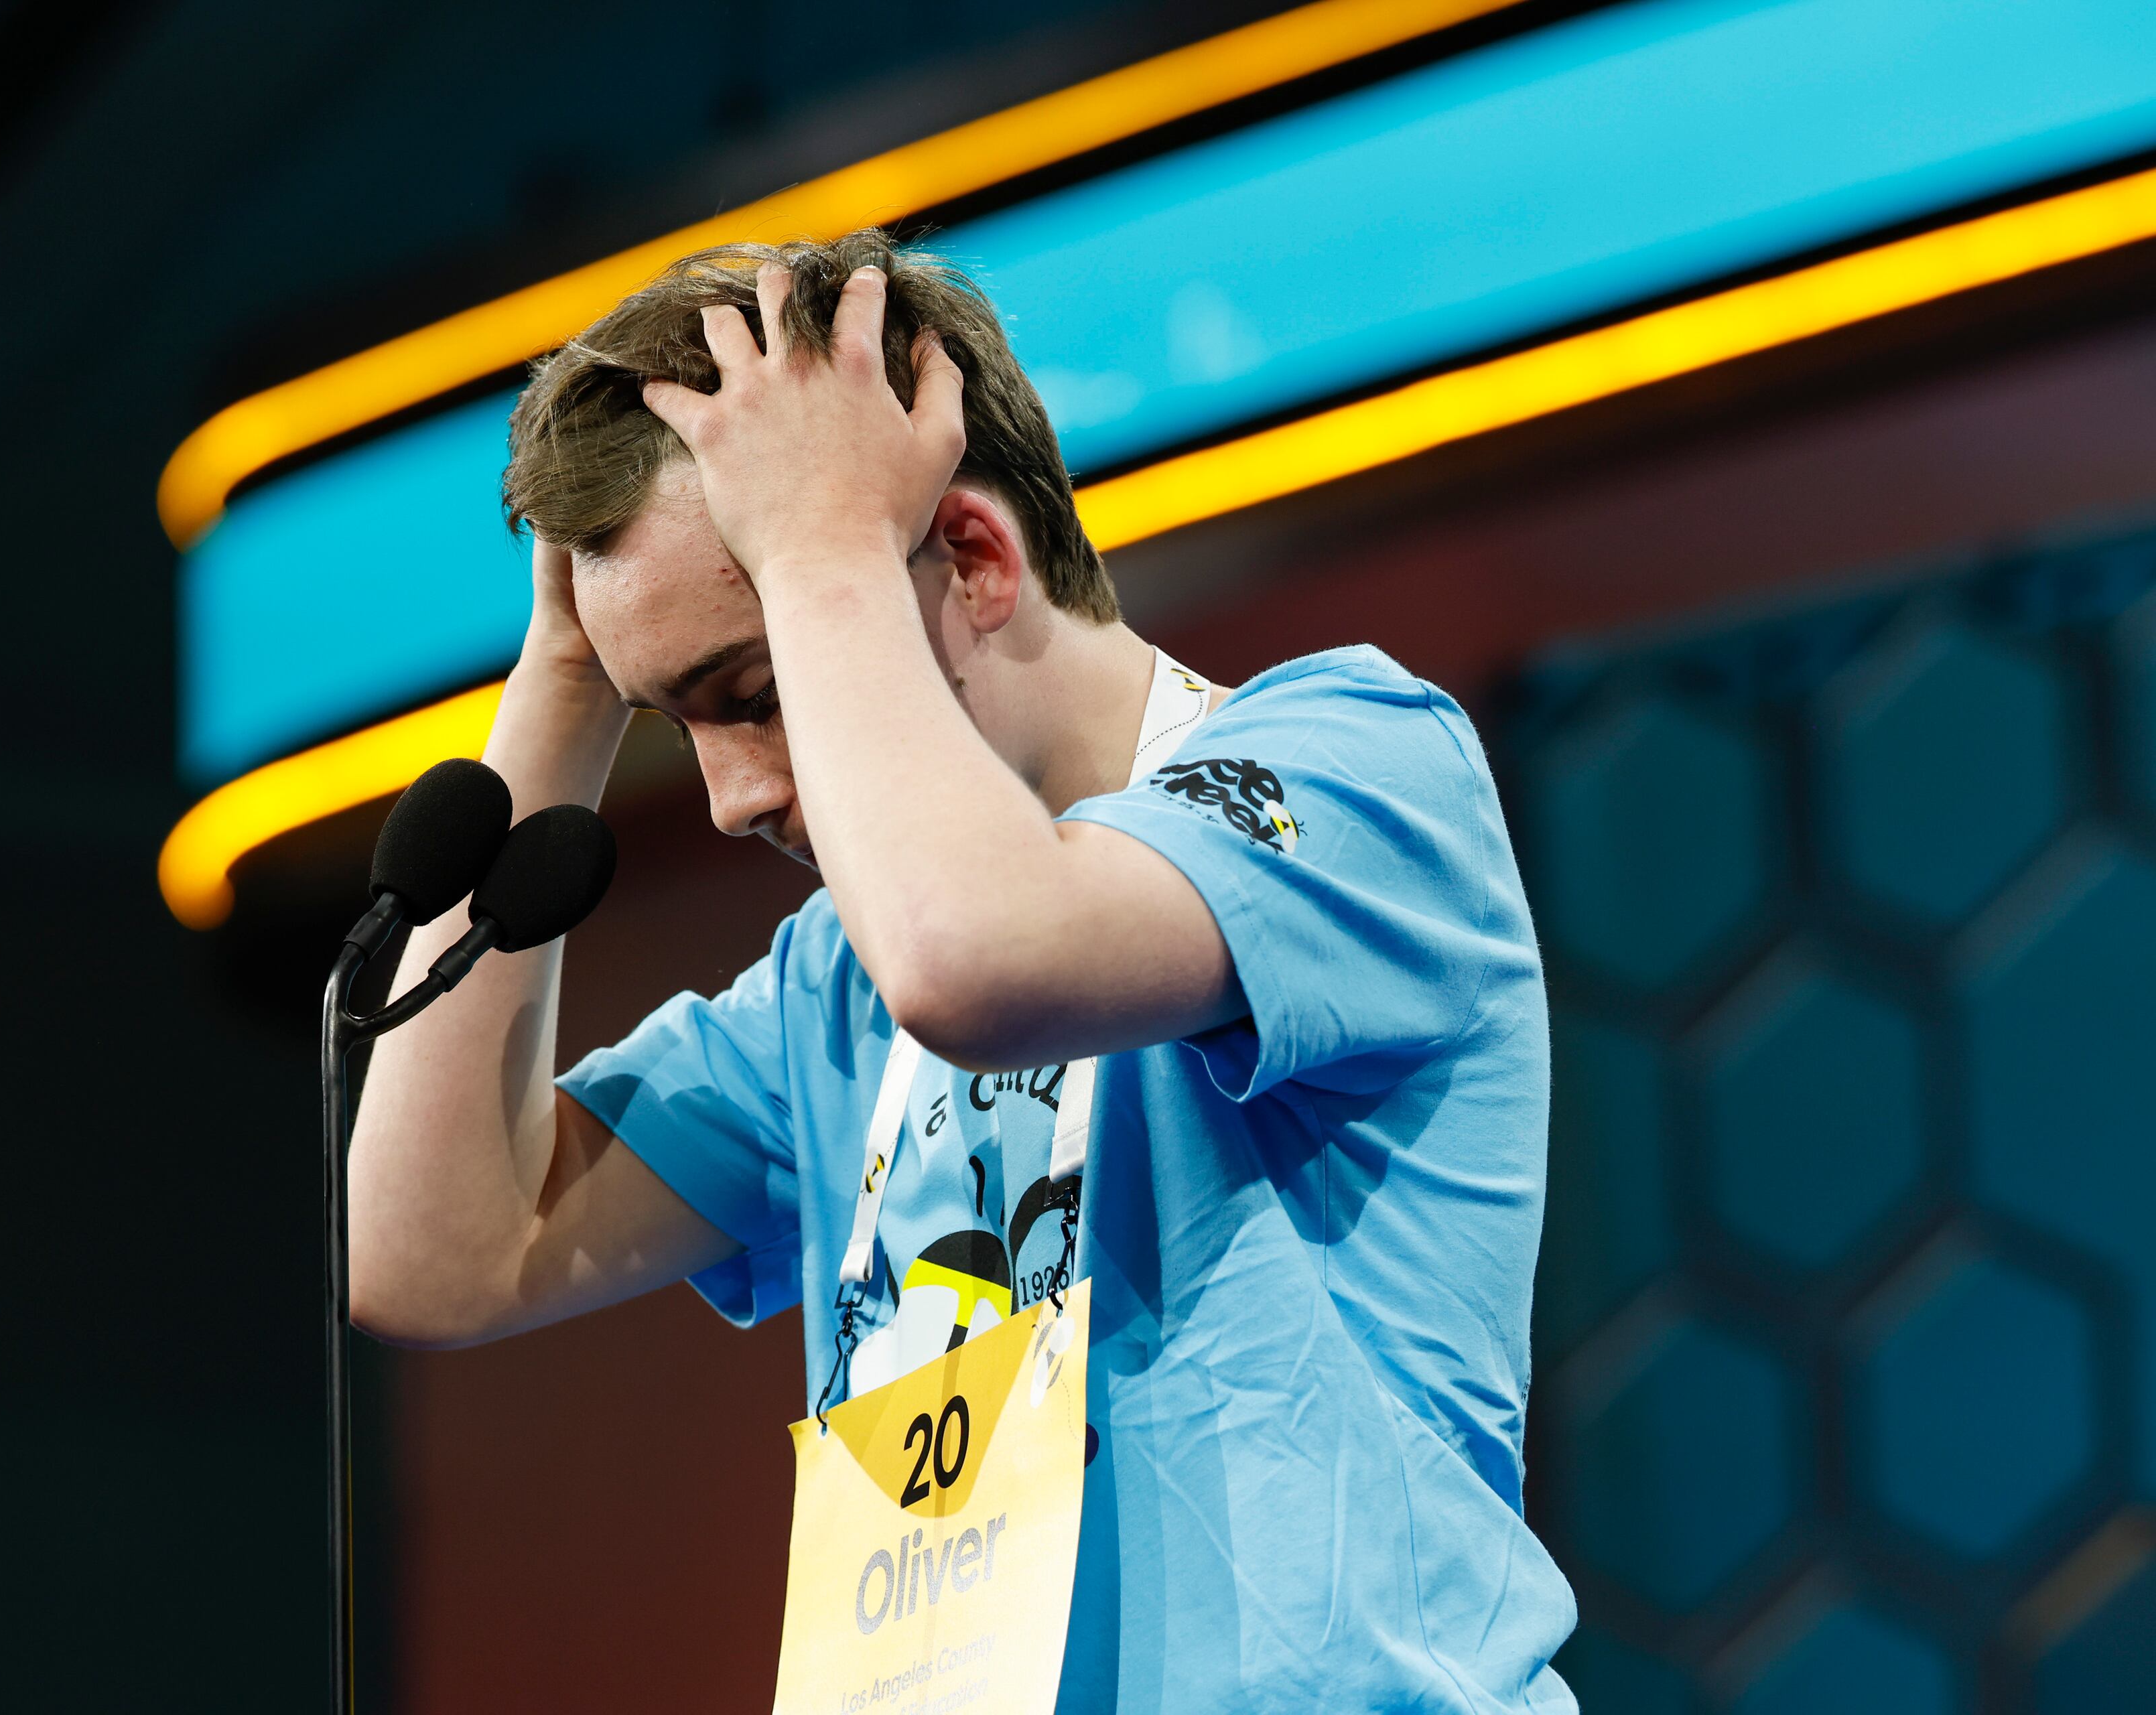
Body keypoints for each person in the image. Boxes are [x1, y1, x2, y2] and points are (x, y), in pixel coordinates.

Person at [347, 230, 1576, 1712]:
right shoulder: (834, 983)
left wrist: (819, 546)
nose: (732, 797)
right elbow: (429, 1251)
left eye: (759, 690)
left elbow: (979, 955)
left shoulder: (1362, 767)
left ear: (977, 558)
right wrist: (562, 677)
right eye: (684, 724)